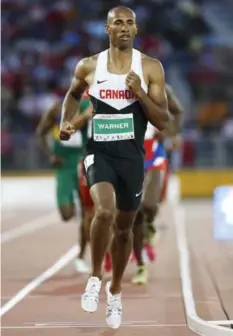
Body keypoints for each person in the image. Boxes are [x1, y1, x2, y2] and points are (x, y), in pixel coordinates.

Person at [59, 6, 169, 329]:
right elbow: (72, 94)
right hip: (99, 154)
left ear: (136, 30)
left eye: (129, 23)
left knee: (124, 230)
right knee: (103, 211)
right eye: (117, 23)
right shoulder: (89, 66)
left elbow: (162, 119)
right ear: (107, 30)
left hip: (132, 158)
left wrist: (139, 93)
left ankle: (116, 291)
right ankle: (95, 277)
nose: (123, 27)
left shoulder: (150, 68)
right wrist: (67, 120)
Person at [132, 84, 183, 285]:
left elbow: (178, 111)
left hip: (154, 154)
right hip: (131, 154)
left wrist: (171, 133)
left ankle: (151, 223)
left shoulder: (161, 89)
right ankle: (141, 265)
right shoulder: (121, 87)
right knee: (134, 213)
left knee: (149, 206)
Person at [36, 91, 92, 273]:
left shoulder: (89, 106)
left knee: (88, 214)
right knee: (67, 214)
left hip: (83, 162)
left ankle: (82, 256)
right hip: (63, 165)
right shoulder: (55, 109)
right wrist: (50, 155)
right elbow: (40, 133)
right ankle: (75, 207)